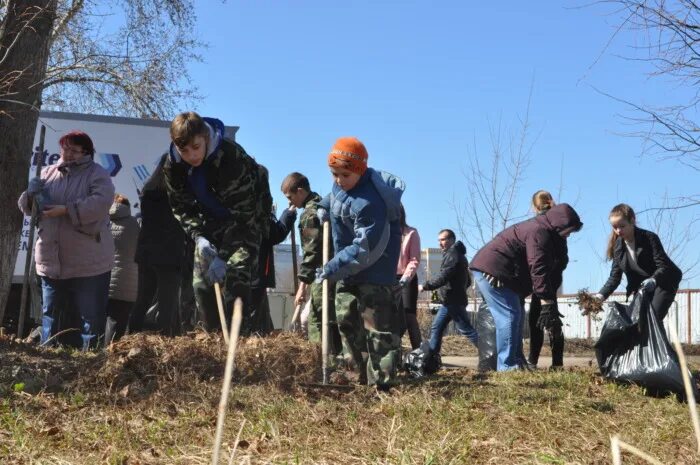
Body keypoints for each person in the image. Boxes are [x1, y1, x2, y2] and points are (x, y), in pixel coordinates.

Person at [163, 111, 267, 334]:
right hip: (209, 225)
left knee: (236, 279)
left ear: (205, 138)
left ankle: (239, 344)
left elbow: (244, 214)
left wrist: (223, 256)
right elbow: (180, 206)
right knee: (201, 285)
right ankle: (214, 341)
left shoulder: (232, 158)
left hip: (245, 223)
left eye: (196, 147)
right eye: (184, 150)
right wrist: (198, 236)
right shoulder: (174, 164)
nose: (191, 155)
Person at [316, 137, 404, 389]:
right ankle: (354, 379)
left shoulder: (371, 203)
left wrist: (332, 267)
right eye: (333, 174)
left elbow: (364, 249)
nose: (338, 180)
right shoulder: (342, 187)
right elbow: (337, 195)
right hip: (347, 272)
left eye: (344, 174)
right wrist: (323, 205)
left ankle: (383, 384)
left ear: (360, 170)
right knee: (347, 324)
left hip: (374, 273)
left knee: (377, 332)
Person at [18, 130, 115, 350]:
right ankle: (47, 364)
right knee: (50, 316)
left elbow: (100, 203)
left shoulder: (97, 174)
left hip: (88, 263)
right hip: (51, 260)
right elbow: (30, 209)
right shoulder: (48, 172)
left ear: (86, 152)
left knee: (90, 319)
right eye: (65, 148)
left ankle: (90, 367)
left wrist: (66, 210)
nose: (68, 153)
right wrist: (30, 196)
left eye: (74, 150)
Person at [470, 203, 582, 371]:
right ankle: (507, 366)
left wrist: (548, 299)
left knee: (518, 314)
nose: (569, 236)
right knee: (509, 315)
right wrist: (546, 300)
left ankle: (517, 362)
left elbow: (552, 268)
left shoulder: (548, 234)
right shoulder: (539, 232)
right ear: (560, 224)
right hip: (493, 270)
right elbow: (538, 266)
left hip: (503, 272)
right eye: (569, 231)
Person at [281, 172, 341, 352]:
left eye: (290, 197)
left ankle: (320, 362)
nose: (290, 203)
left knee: (318, 318)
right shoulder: (324, 204)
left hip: (322, 273)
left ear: (300, 192)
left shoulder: (309, 214)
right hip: (337, 270)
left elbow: (311, 253)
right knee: (332, 317)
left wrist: (302, 286)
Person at [128, 154, 187, 336]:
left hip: (147, 253)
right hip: (170, 254)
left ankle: (132, 337)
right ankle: (165, 342)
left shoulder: (148, 190)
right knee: (167, 303)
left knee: (143, 299)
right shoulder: (178, 193)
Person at [595, 204, 682, 321]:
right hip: (643, 286)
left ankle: (656, 339)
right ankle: (654, 340)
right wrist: (600, 296)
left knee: (652, 317)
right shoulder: (617, 247)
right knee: (637, 321)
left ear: (632, 221)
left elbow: (663, 266)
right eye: (615, 227)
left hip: (664, 281)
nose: (618, 230)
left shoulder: (649, 238)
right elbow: (614, 278)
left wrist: (653, 280)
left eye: (622, 226)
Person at [419, 229, 477, 361]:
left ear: (452, 240)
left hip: (453, 300)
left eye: (443, 240)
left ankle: (490, 354)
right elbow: (467, 281)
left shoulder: (452, 254)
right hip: (450, 300)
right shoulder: (458, 254)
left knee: (467, 330)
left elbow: (444, 276)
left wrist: (425, 286)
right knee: (436, 327)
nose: (440, 243)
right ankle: (431, 359)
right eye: (439, 240)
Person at [526, 190, 568, 369]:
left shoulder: (536, 224)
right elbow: (564, 258)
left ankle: (533, 361)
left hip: (540, 279)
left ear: (535, 207)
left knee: (538, 319)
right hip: (553, 278)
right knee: (551, 318)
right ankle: (556, 362)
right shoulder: (557, 225)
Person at [249, 202, 297, 335]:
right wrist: (289, 214)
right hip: (256, 276)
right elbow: (276, 233)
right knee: (254, 319)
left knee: (259, 316)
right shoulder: (258, 215)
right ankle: (253, 346)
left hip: (244, 275)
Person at [105, 194, 140, 344]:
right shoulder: (134, 224)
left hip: (102, 278)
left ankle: (94, 353)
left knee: (98, 320)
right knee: (117, 322)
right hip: (127, 282)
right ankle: (110, 356)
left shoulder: (102, 221)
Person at [396, 205, 422, 350]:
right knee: (391, 317)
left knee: (409, 316)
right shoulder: (385, 233)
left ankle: (418, 352)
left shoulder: (411, 233)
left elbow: (414, 259)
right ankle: (395, 353)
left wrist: (406, 277)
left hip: (407, 279)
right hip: (388, 279)